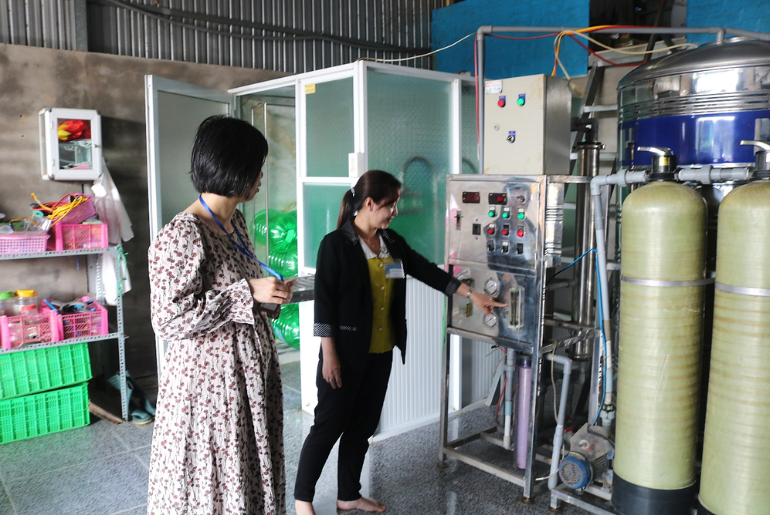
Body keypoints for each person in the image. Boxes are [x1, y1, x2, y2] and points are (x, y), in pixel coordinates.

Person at [294, 170, 505, 514]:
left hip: (381, 352)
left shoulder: (391, 242)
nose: (395, 211)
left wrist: (472, 294)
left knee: (362, 426)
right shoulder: (336, 244)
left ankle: (348, 495)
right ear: (369, 203)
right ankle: (303, 499)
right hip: (344, 354)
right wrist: (328, 353)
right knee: (328, 427)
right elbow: (325, 304)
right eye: (390, 204)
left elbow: (427, 271)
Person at [147, 115, 295, 514]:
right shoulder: (183, 233)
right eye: (256, 167)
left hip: (246, 384)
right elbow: (168, 319)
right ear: (234, 169)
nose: (261, 176)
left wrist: (269, 296)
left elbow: (234, 296)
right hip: (212, 393)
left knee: (246, 477)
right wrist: (246, 292)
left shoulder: (235, 222)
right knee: (215, 484)